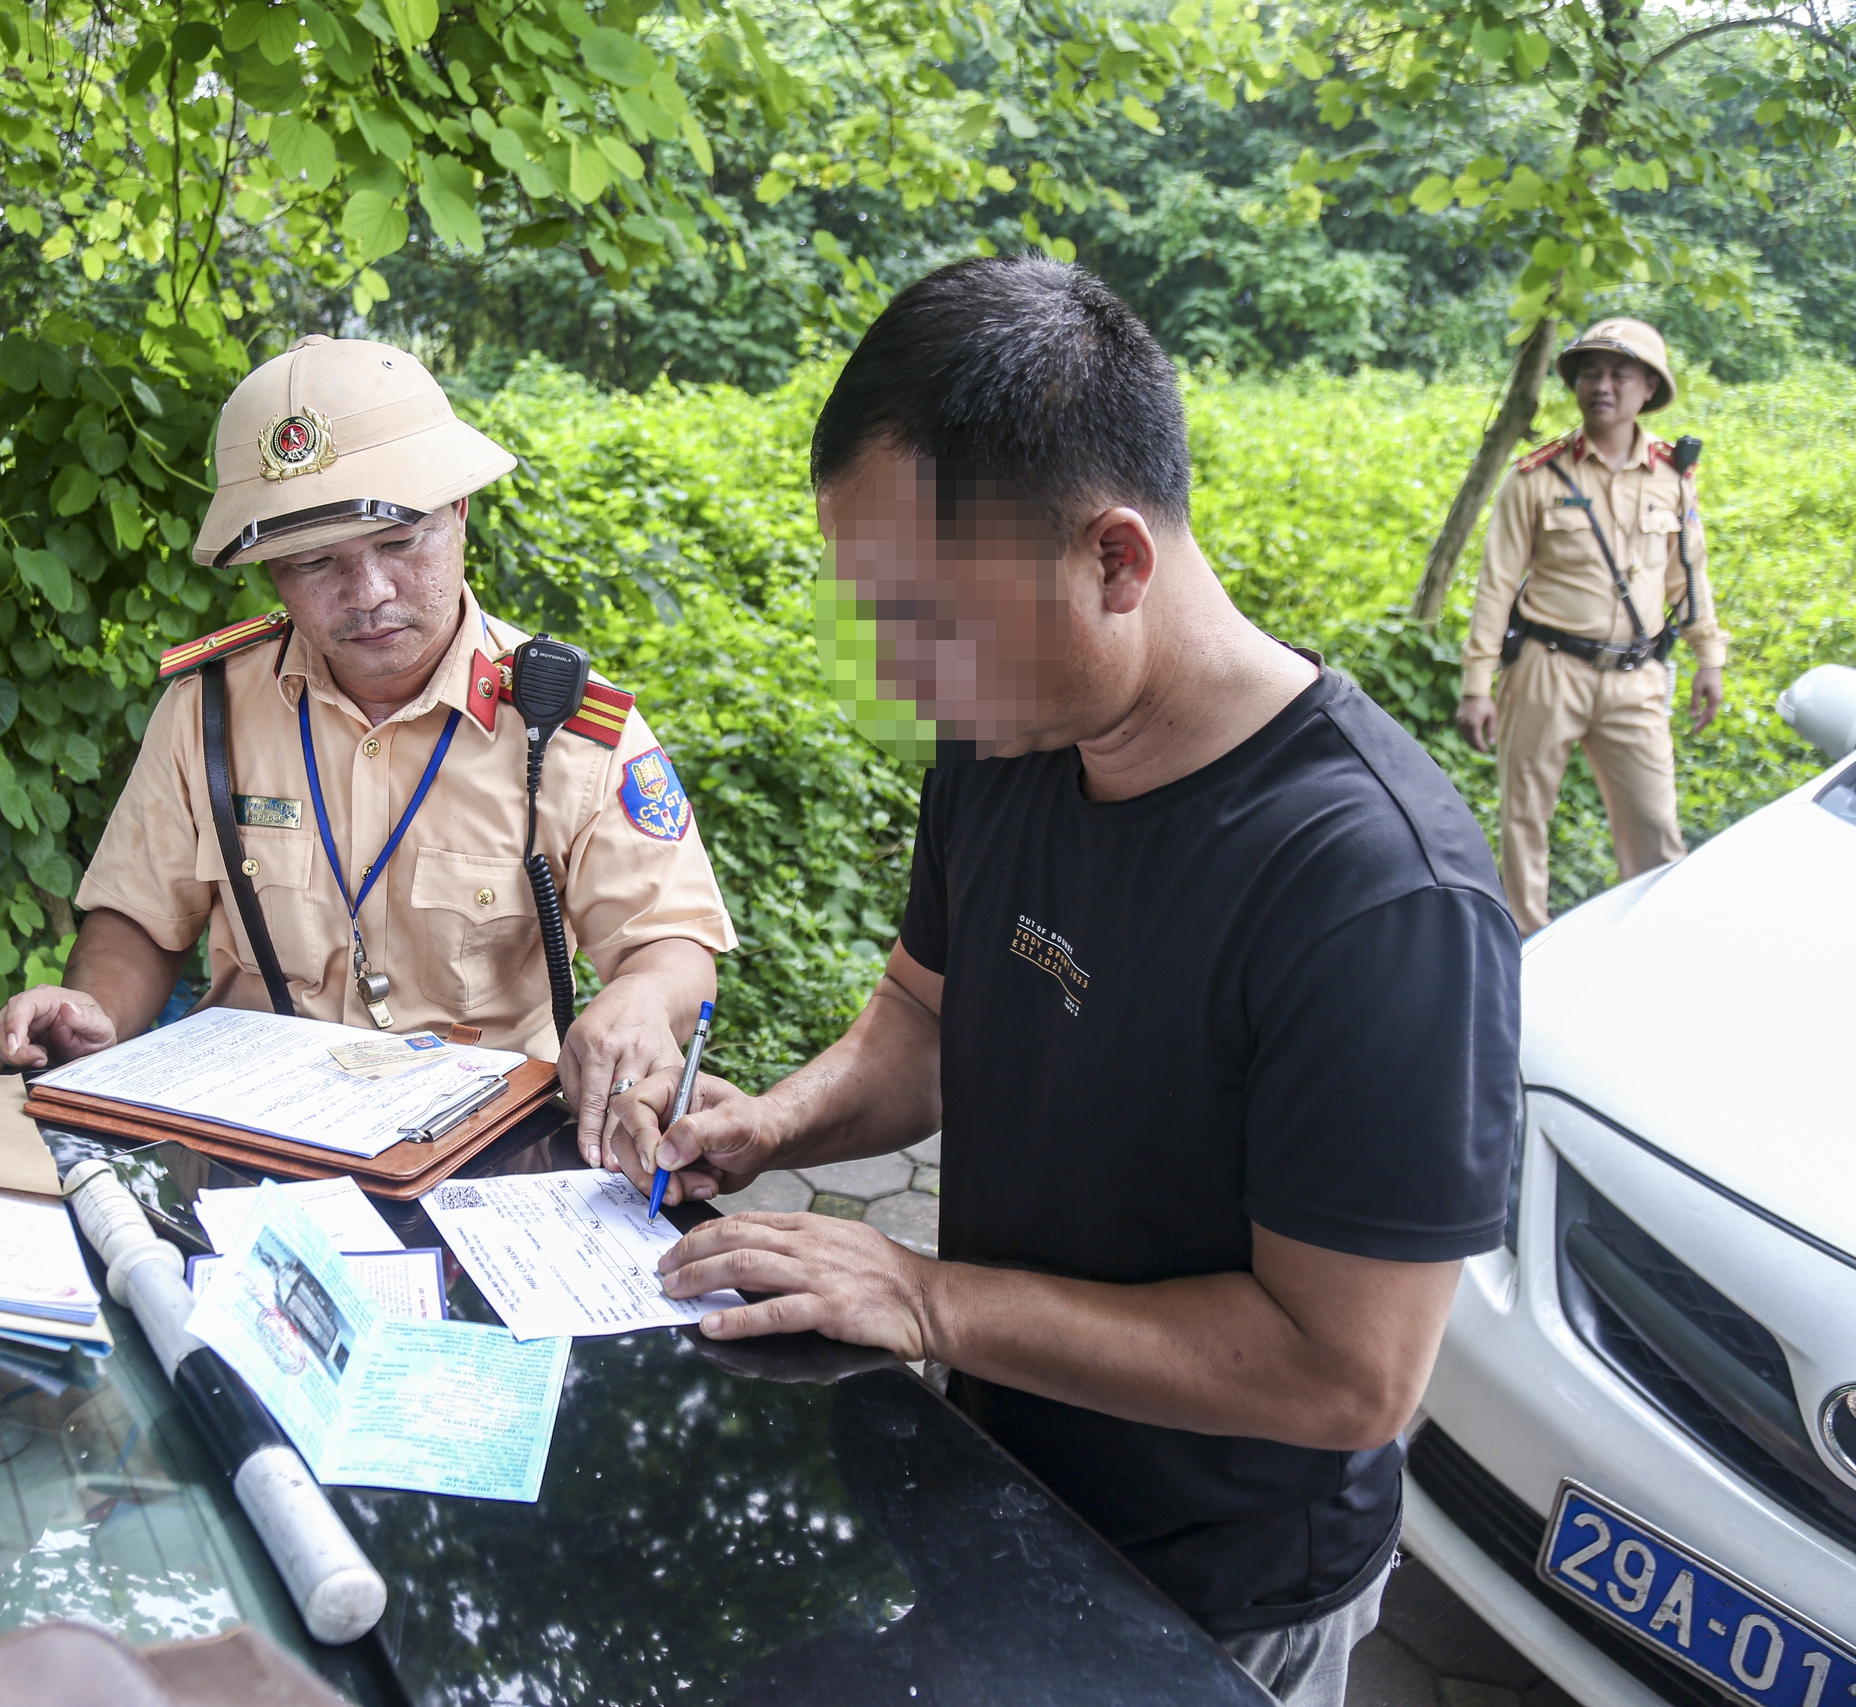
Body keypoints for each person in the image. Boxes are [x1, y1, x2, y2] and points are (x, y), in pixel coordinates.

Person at [609, 257, 1519, 1707]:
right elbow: (925, 1018)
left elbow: (1346, 1374)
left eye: (928, 621)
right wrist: (776, 1127)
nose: (903, 677)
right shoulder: (1007, 737)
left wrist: (927, 1294)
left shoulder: (1375, 892)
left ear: (1115, 560)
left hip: (1216, 1586)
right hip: (1000, 1478)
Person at [0, 336, 735, 1155]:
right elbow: (139, 919)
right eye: (314, 561)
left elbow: (671, 940)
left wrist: (646, 997)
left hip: (476, 1155)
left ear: (460, 516)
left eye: (401, 541)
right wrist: (92, 1008)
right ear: (269, 568)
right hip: (244, 1136)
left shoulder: (567, 730)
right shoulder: (211, 710)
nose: (368, 594)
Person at [1456, 316, 1726, 935]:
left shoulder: (1673, 478)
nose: (1602, 385)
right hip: (1548, 670)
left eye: (1619, 373)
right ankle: (1525, 943)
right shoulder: (1536, 478)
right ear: (1575, 385)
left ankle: (1649, 944)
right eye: (1590, 373)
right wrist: (1477, 685)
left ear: (1648, 388)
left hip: (1636, 676)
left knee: (1655, 828)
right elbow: (1496, 584)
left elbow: (1688, 575)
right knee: (1525, 820)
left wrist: (1707, 655)